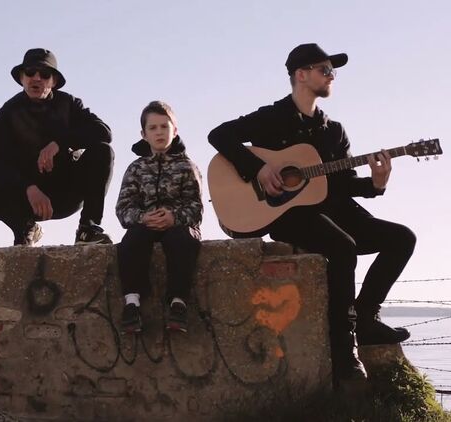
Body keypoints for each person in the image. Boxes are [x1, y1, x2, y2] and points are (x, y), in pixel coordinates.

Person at [207, 44, 415, 385]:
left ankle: (366, 318)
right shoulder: (272, 117)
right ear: (301, 75)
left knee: (402, 238)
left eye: (333, 71)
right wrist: (258, 168)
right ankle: (343, 351)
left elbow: (344, 184)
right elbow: (219, 135)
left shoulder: (334, 131)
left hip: (333, 208)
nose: (332, 76)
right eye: (325, 69)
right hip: (290, 214)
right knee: (343, 247)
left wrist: (376, 184)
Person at [0, 48, 114, 246]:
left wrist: (59, 143)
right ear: (22, 78)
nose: (37, 78)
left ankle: (88, 230)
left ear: (54, 81)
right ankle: (25, 228)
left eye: (44, 74)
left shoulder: (69, 104)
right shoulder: (7, 113)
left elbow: (104, 132)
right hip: (30, 198)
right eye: (30, 72)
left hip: (67, 190)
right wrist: (28, 188)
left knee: (103, 151)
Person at [116, 101, 203, 333]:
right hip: (146, 225)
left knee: (182, 241)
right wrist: (143, 218)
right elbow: (123, 209)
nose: (159, 132)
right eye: (153, 128)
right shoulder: (136, 168)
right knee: (132, 240)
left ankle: (178, 303)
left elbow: (196, 208)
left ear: (175, 131)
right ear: (144, 134)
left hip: (178, 226)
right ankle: (132, 304)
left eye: (165, 126)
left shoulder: (187, 167)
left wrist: (174, 217)